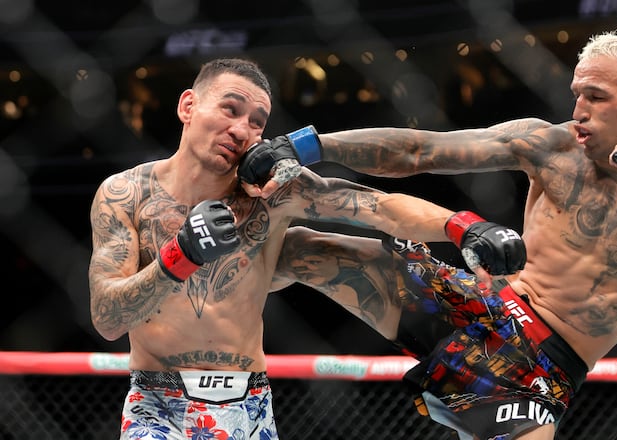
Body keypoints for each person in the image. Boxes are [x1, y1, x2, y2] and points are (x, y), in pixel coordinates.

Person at [242, 31, 617, 439]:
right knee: (306, 249)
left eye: (597, 97)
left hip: (541, 362)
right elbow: (423, 151)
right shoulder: (552, 145)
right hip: (477, 301)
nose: (579, 109)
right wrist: (308, 143)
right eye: (577, 93)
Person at [87, 58, 526, 440]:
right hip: (159, 405)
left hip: (249, 404)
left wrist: (462, 226)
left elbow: (376, 207)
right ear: (188, 106)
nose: (241, 129)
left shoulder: (271, 193)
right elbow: (107, 318)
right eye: (230, 109)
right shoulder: (126, 194)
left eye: (257, 122)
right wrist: (179, 255)